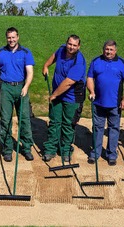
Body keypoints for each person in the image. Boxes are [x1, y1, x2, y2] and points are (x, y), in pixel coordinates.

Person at [0, 27, 35, 162]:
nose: (11, 40)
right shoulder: (0, 52)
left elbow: (30, 72)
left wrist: (26, 86)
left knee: (24, 119)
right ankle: (7, 149)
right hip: (5, 88)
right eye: (9, 37)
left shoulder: (25, 52)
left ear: (17, 37)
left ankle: (26, 148)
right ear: (6, 38)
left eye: (13, 37)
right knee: (6, 120)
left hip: (21, 87)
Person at [87, 40, 124, 166]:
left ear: (115, 50)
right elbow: (90, 77)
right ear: (103, 49)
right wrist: (91, 91)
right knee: (97, 128)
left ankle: (111, 154)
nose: (108, 52)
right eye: (106, 49)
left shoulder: (122, 63)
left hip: (115, 104)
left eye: (111, 50)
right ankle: (95, 153)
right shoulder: (96, 61)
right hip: (98, 103)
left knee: (114, 128)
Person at [41, 35, 86, 163]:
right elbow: (54, 56)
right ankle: (50, 149)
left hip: (72, 97)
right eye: (69, 44)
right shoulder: (62, 49)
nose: (71, 47)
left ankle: (65, 150)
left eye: (74, 45)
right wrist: (46, 65)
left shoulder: (79, 61)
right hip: (57, 93)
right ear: (66, 43)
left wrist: (54, 95)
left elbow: (69, 82)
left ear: (78, 47)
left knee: (68, 124)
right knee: (54, 121)